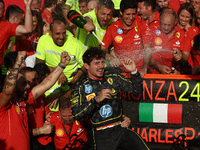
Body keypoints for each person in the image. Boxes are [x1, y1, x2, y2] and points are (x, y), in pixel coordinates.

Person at [70, 47, 149, 150]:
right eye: (96, 63)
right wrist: (96, 100)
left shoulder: (112, 75)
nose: (101, 66)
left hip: (120, 129)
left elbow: (136, 90)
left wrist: (133, 72)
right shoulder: (80, 86)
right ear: (86, 66)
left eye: (102, 62)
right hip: (100, 134)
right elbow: (77, 114)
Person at [0, 51, 71, 150]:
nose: (28, 86)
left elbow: (45, 84)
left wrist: (61, 65)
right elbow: (7, 91)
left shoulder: (24, 99)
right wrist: (17, 63)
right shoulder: (3, 104)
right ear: (14, 87)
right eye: (24, 83)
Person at [35, 17, 85, 110]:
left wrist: (80, 73)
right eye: (57, 34)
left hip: (69, 88)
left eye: (64, 33)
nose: (61, 37)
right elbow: (38, 67)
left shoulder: (75, 44)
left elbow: (86, 66)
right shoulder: (43, 40)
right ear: (50, 33)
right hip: (47, 86)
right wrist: (56, 71)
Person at [101, 0, 151, 78]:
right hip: (120, 73)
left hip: (138, 72)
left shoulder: (142, 24)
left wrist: (144, 69)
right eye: (128, 14)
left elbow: (147, 48)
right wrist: (111, 58)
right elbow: (102, 49)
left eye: (133, 14)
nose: (131, 18)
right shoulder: (112, 28)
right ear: (121, 12)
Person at [149, 8, 184, 74]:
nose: (166, 28)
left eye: (169, 25)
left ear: (175, 21)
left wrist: (180, 57)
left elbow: (187, 59)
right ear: (159, 20)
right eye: (164, 24)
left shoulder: (182, 34)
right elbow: (145, 55)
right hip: (153, 76)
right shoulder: (151, 29)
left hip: (174, 76)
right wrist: (158, 66)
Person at [177, 3, 199, 72]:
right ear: (178, 15)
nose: (184, 19)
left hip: (191, 69)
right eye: (182, 16)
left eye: (187, 17)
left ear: (191, 17)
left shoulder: (194, 30)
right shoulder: (172, 29)